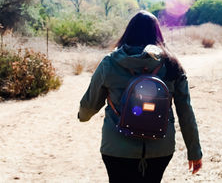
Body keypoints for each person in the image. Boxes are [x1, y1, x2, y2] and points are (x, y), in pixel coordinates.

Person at [78, 10, 202, 183]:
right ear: (157, 33)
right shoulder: (172, 65)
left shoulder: (110, 62)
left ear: (128, 32)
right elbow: (186, 112)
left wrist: (82, 116)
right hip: (160, 150)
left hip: (117, 149)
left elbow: (89, 107)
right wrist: (194, 151)